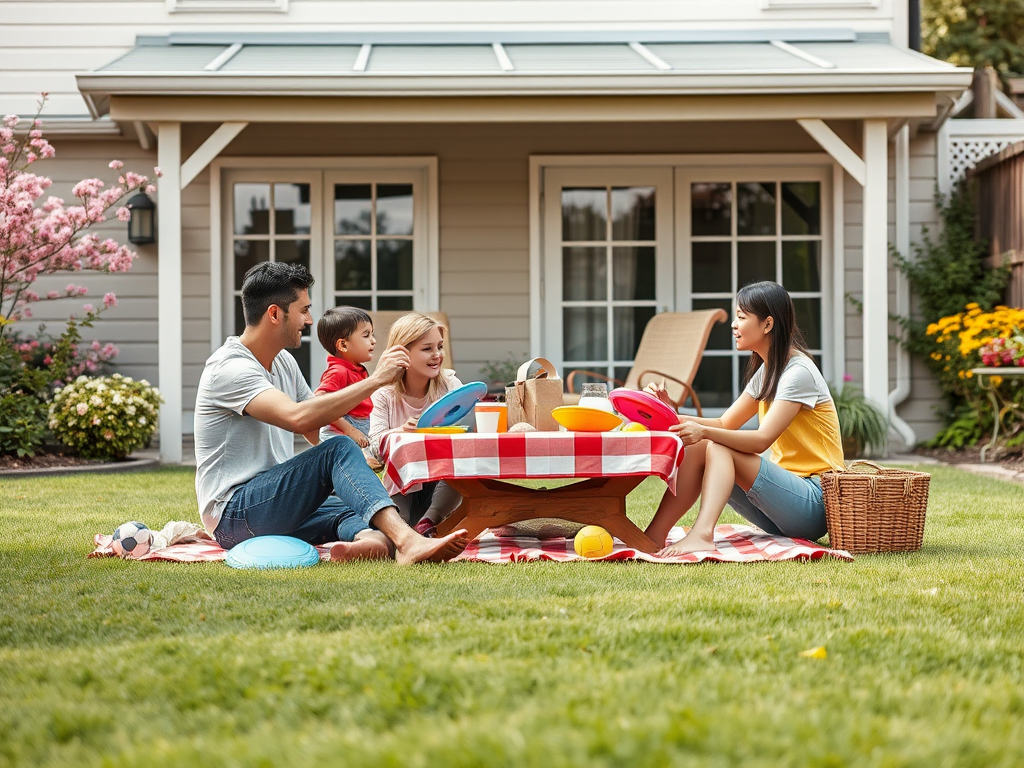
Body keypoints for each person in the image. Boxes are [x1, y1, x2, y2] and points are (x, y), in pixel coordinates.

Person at [193, 262, 468, 564]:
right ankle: (408, 542)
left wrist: (357, 463)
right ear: (274, 314)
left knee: (365, 508)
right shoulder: (231, 368)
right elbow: (298, 418)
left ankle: (372, 543)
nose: (310, 320)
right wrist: (376, 380)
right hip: (234, 513)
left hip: (276, 502)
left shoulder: (283, 362)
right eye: (303, 310)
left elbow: (314, 428)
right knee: (338, 448)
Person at [644, 281, 845, 557]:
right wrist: (668, 412)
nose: (733, 325)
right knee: (702, 446)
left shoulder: (798, 373)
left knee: (717, 446)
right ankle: (653, 537)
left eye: (741, 317)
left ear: (767, 324)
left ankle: (702, 535)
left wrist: (704, 433)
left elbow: (761, 440)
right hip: (782, 506)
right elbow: (724, 423)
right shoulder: (768, 372)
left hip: (814, 503)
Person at [368, 313, 463, 538]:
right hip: (401, 482)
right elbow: (374, 448)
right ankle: (403, 529)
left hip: (441, 483)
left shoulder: (450, 386)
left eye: (440, 347)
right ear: (402, 353)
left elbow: (460, 439)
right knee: (394, 532)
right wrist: (400, 432)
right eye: (427, 349)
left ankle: (429, 521)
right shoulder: (384, 395)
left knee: (461, 468)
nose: (437, 355)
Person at [314, 306, 375, 447]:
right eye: (366, 335)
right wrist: (350, 430)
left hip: (360, 427)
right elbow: (321, 401)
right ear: (343, 345)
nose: (373, 341)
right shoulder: (339, 371)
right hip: (339, 433)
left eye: (372, 334)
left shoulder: (357, 370)